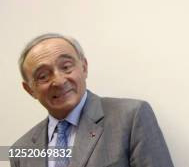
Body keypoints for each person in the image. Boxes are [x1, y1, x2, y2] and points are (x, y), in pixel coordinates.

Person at [11, 33, 174, 167]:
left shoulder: (131, 117)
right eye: (43, 76)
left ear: (84, 67)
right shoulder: (21, 149)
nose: (59, 81)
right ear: (29, 89)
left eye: (66, 67)